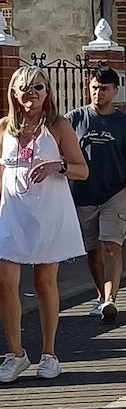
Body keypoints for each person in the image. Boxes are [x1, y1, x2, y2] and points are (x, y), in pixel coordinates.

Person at [0, 67, 89, 383]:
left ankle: (49, 353)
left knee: (44, 282)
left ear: (47, 92)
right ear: (14, 93)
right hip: (12, 213)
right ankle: (16, 354)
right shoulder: (4, 128)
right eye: (24, 88)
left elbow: (82, 170)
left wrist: (57, 165)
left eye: (38, 87)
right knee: (6, 281)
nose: (31, 93)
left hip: (48, 212)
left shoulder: (59, 126)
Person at [68, 67, 126, 324]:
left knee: (111, 245)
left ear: (115, 91)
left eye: (104, 88)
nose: (98, 93)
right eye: (94, 87)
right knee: (93, 250)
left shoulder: (125, 123)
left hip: (114, 194)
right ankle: (101, 295)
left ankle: (111, 299)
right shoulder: (74, 120)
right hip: (83, 195)